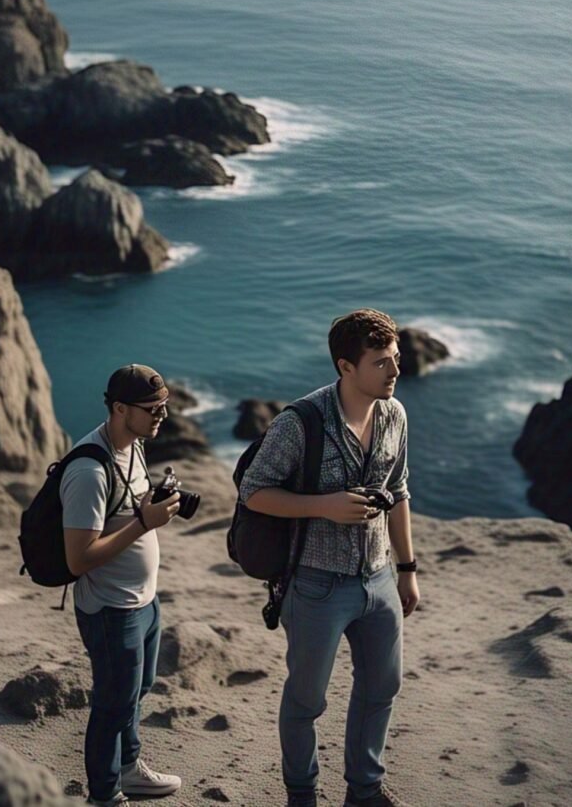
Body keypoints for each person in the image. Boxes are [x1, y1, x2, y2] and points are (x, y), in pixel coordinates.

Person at [240, 309, 420, 807]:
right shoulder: (300, 423)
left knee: (383, 687)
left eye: (396, 359)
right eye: (382, 362)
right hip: (316, 585)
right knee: (306, 700)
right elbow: (254, 492)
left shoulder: (395, 414)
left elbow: (399, 491)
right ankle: (303, 794)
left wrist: (406, 570)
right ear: (346, 366)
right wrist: (325, 507)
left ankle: (364, 791)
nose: (395, 371)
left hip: (379, 577)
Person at [62, 364, 182, 807]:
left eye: (164, 407)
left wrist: (154, 507)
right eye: (152, 409)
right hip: (111, 609)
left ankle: (129, 768)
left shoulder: (132, 446)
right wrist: (142, 523)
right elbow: (79, 557)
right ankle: (104, 794)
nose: (162, 416)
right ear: (118, 408)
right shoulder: (88, 471)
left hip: (144, 601)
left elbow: (130, 513)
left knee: (138, 688)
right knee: (112, 703)